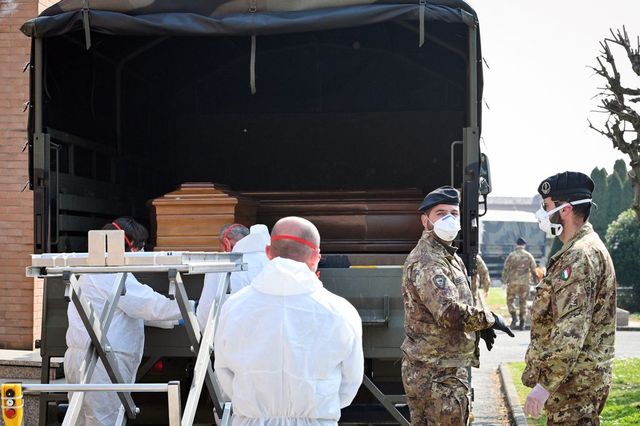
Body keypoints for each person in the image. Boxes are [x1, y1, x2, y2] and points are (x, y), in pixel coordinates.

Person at [214, 216, 364, 425]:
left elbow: (224, 373)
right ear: (316, 257)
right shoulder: (340, 311)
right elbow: (350, 383)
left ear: (268, 253)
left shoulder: (234, 307)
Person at [400, 186, 514, 425]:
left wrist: (477, 328)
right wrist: (490, 318)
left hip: (444, 370)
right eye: (441, 213)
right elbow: (450, 312)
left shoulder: (448, 256)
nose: (449, 219)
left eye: (454, 213)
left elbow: (460, 304)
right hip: (437, 374)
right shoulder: (429, 260)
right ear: (425, 221)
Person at [64, 217, 183, 426]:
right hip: (102, 361)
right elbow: (148, 304)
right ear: (125, 245)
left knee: (81, 420)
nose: (141, 252)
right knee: (104, 421)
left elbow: (126, 313)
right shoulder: (110, 273)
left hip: (86, 357)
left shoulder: (94, 271)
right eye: (139, 246)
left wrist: (171, 320)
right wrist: (188, 309)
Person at [522, 171, 616, 424]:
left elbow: (570, 330)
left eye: (546, 206)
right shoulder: (580, 249)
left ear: (565, 210)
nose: (543, 213)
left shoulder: (579, 256)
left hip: (575, 387)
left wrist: (545, 386)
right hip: (577, 383)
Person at [197, 223, 270, 330]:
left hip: (235, 335)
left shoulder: (222, 264)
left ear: (226, 243)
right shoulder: (273, 261)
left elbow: (206, 311)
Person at [501, 237, 537, 330]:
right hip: (525, 283)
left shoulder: (511, 255)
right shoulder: (529, 256)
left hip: (513, 282)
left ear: (516, 245)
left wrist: (504, 281)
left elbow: (505, 269)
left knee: (510, 300)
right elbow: (534, 270)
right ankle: (522, 323)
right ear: (524, 245)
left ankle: (514, 318)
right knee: (523, 302)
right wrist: (536, 283)